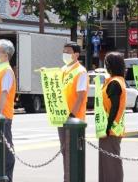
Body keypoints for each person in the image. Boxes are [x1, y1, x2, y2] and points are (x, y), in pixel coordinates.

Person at [59, 43, 89, 182]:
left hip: (74, 120)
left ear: (76, 54)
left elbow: (81, 95)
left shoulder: (80, 71)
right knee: (65, 152)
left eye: (68, 52)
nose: (65, 54)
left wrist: (72, 116)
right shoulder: (64, 69)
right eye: (64, 51)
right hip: (61, 117)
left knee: (73, 152)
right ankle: (67, 178)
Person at [99, 52, 126, 182]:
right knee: (108, 161)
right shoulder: (117, 80)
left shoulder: (115, 83)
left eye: (106, 62)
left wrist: (108, 127)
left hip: (111, 129)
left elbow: (114, 108)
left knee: (111, 162)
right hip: (114, 128)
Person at [0, 39, 16, 182]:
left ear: (6, 55)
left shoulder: (6, 71)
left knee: (6, 147)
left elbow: (4, 93)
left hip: (3, 115)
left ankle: (7, 177)